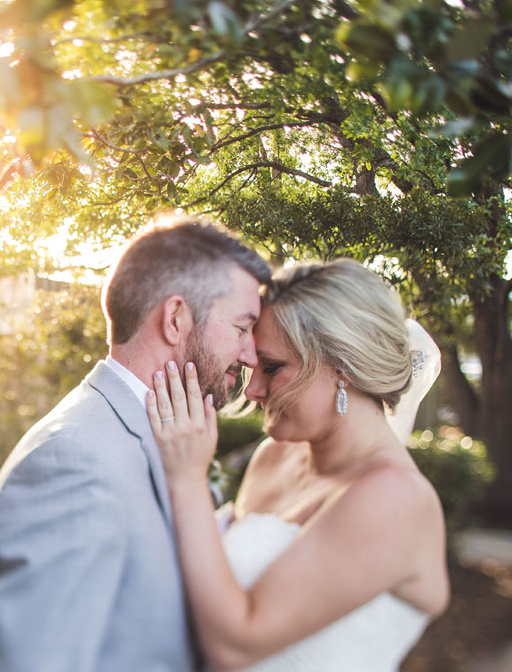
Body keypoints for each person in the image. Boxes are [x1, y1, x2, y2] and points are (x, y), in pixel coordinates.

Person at [0, 216, 272, 672]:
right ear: (175, 319)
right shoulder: (72, 460)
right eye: (242, 327)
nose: (251, 354)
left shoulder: (163, 438)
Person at [147, 258, 449, 672]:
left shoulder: (396, 500)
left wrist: (187, 482)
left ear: (343, 366)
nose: (252, 389)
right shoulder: (273, 458)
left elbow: (235, 647)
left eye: (272, 367)